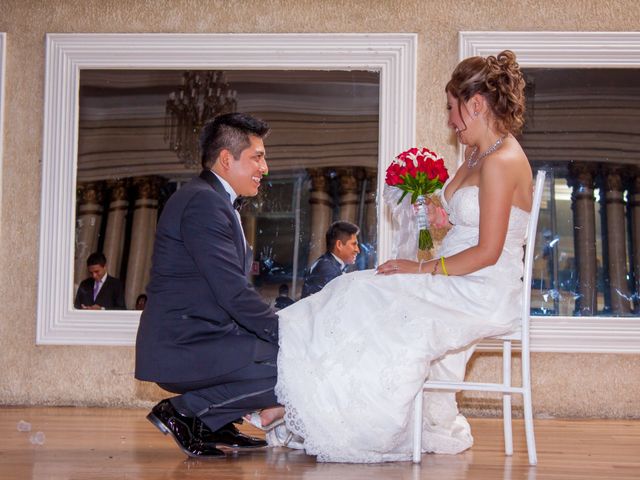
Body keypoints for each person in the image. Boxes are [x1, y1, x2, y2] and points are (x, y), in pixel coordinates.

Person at [270, 50, 533, 462]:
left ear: (476, 104)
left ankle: (340, 417)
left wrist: (422, 268)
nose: (449, 120)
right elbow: (464, 230)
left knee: (371, 293)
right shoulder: (475, 155)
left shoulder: (502, 162)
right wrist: (436, 217)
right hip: (455, 274)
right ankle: (307, 403)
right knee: (360, 284)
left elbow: (487, 251)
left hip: (482, 286)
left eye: (452, 108)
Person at [135, 113, 281, 458]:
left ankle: (213, 423)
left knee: (293, 360)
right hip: (183, 345)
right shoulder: (203, 202)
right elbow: (232, 292)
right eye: (258, 157)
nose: (266, 167)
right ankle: (185, 412)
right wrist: (287, 331)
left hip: (204, 337)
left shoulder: (212, 199)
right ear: (227, 159)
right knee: (294, 365)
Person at [300, 221, 360, 298]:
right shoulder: (327, 269)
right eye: (354, 244)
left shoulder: (327, 263)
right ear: (339, 245)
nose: (357, 250)